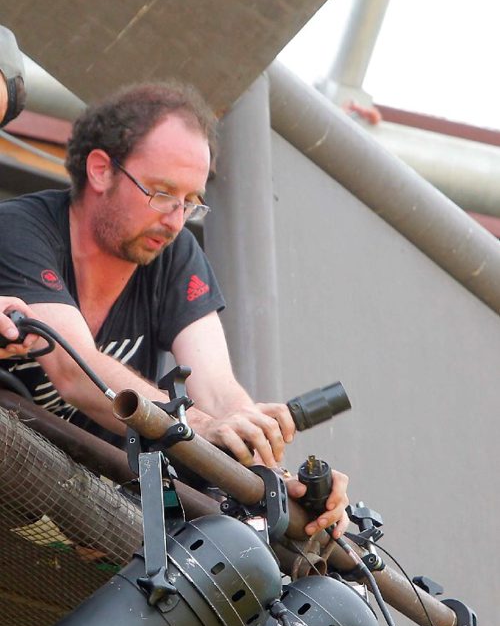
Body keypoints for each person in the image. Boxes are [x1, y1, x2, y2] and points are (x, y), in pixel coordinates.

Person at [0, 80, 349, 537]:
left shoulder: (177, 253)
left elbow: (219, 392)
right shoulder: (18, 231)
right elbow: (72, 371)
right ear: (101, 170)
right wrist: (200, 425)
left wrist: (278, 480)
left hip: (93, 522)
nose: (175, 219)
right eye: (161, 193)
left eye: (191, 202)